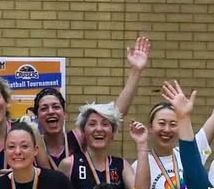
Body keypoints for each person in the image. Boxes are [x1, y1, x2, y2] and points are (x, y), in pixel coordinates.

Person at [32, 35, 151, 169]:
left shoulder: (77, 138)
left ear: (65, 115)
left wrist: (136, 71)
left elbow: (116, 113)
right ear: (36, 117)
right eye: (44, 108)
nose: (51, 111)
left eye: (55, 107)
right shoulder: (31, 146)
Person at [61, 103, 140, 189]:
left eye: (105, 124)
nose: (99, 129)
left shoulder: (121, 166)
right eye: (92, 124)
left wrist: (142, 144)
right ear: (83, 132)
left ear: (113, 133)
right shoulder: (69, 164)